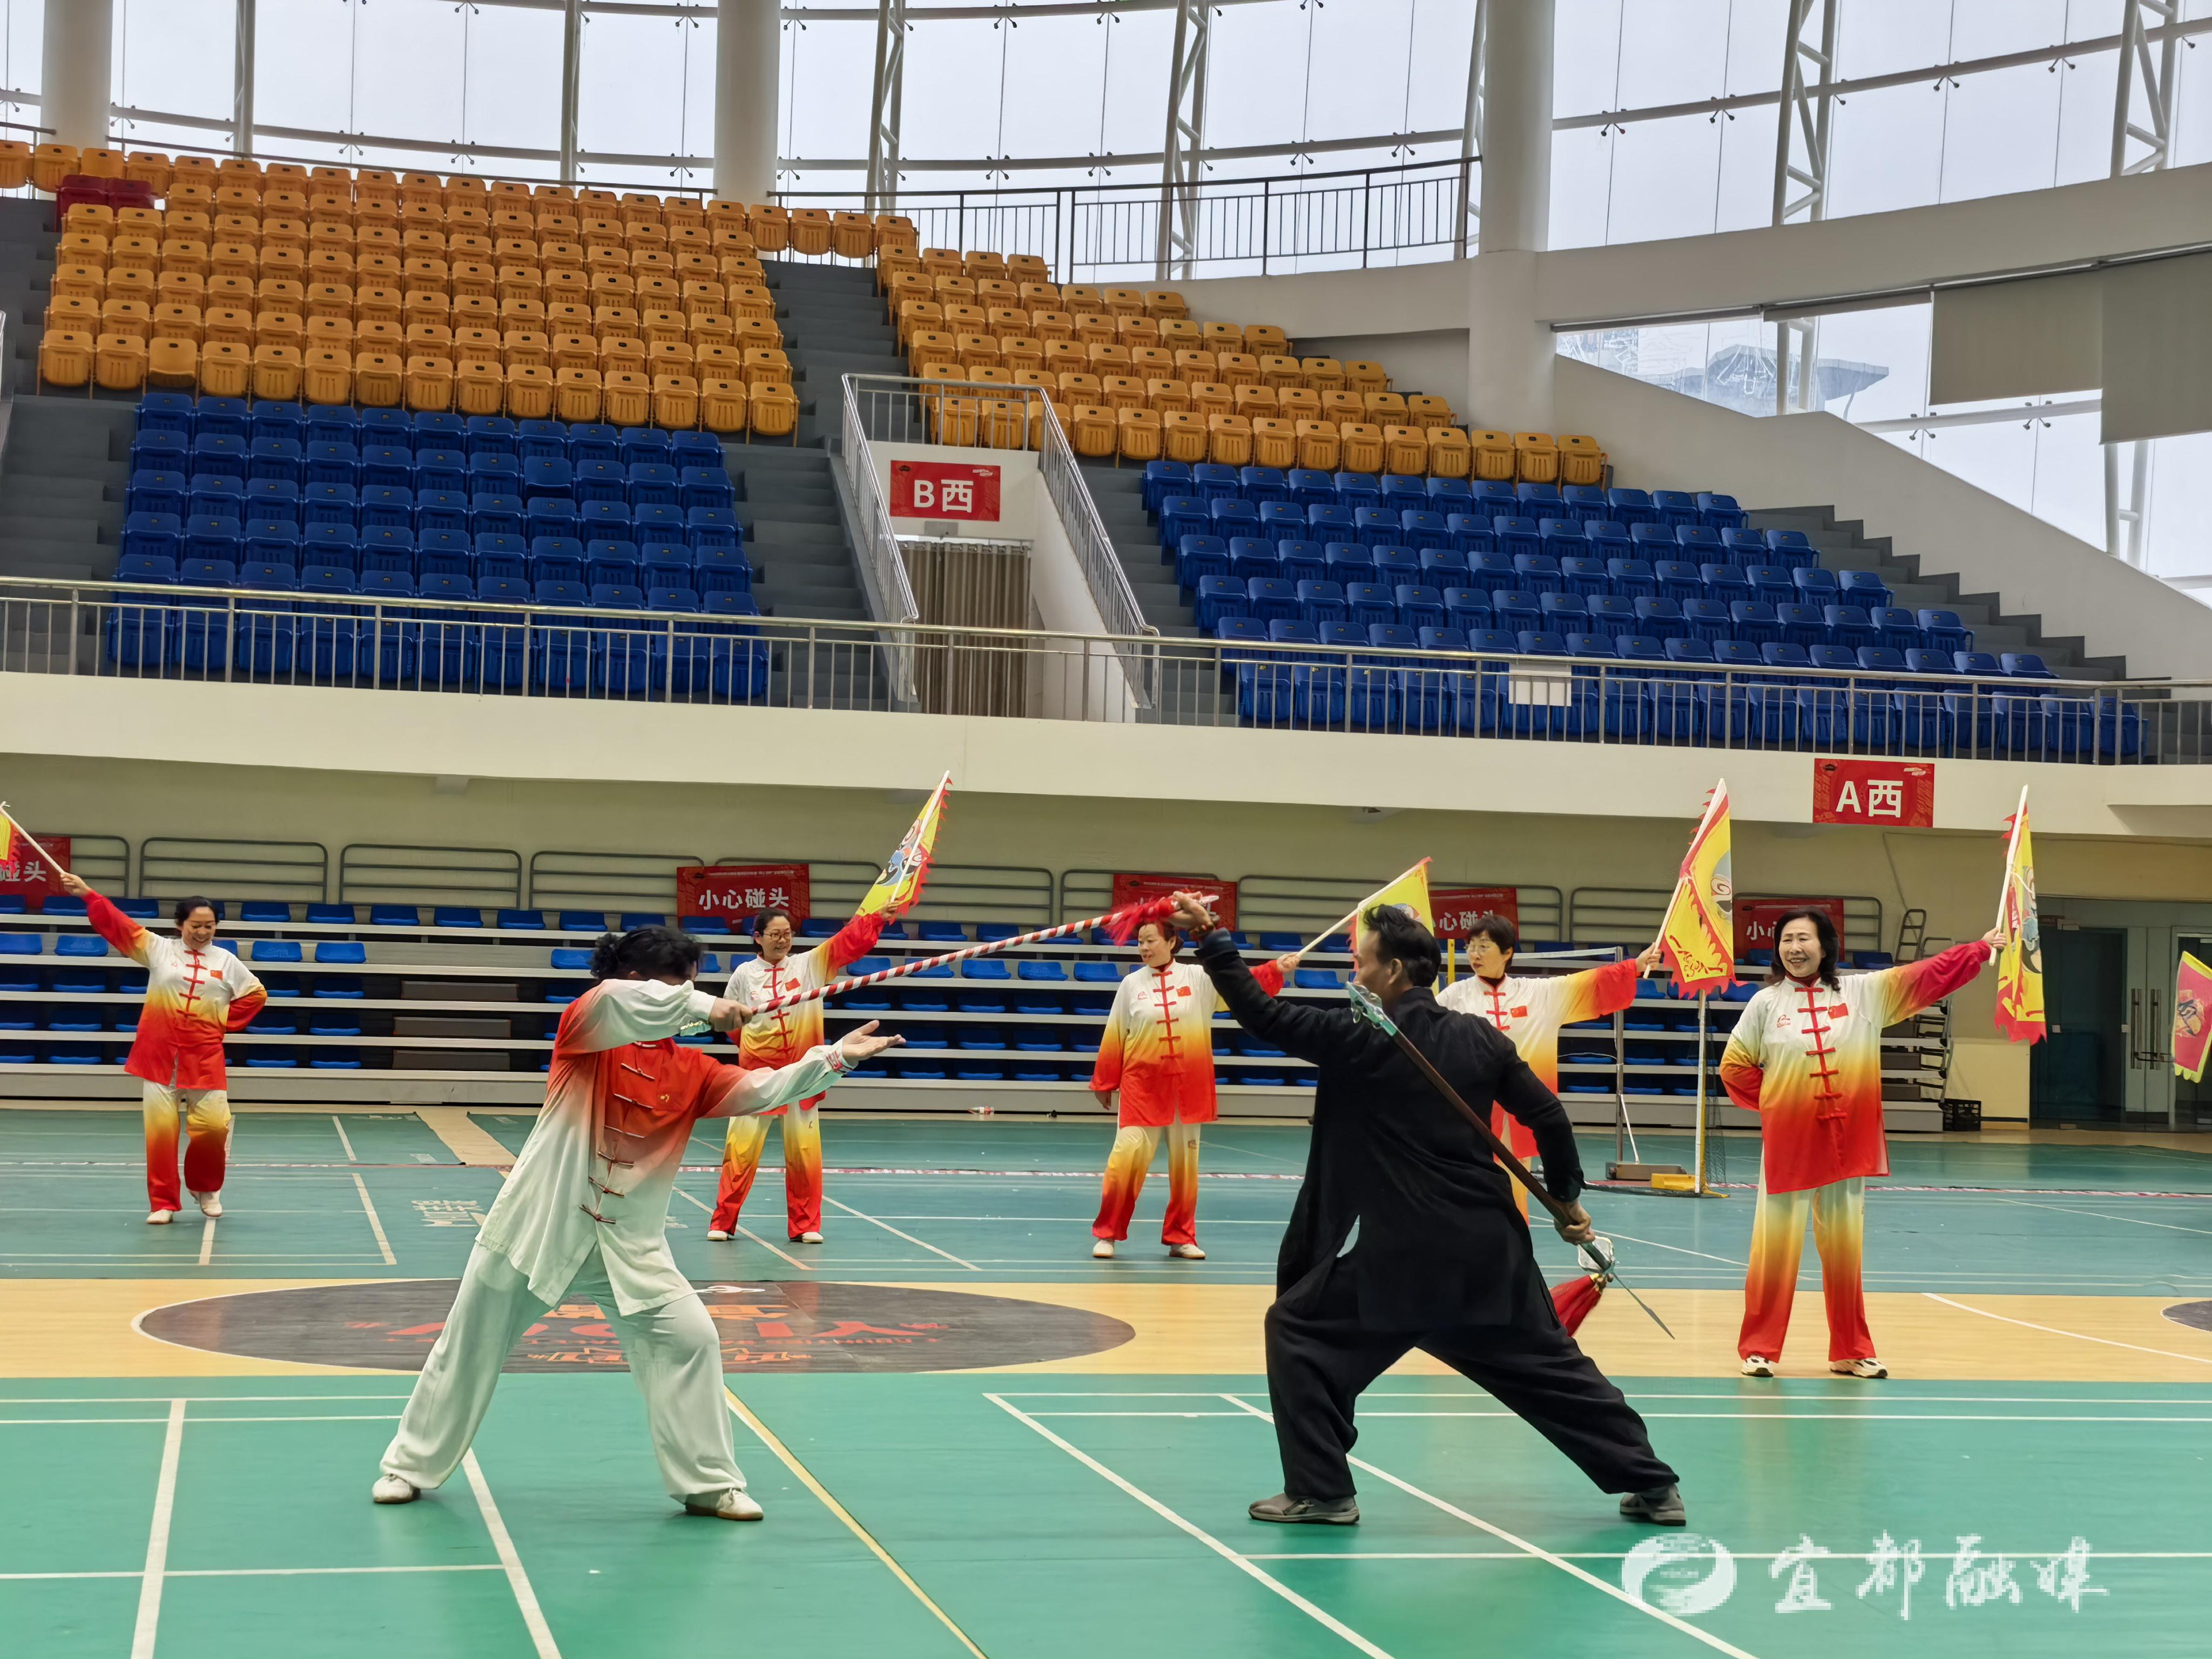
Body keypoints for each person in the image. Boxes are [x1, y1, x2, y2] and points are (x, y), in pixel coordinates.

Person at [1168, 893, 1682, 1528]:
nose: (1356, 974)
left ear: (1391, 972)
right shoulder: (1478, 1037)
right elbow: (1548, 1115)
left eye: (1362, 964)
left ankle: (1321, 1491)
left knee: (1297, 1331)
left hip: (1403, 1260)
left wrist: (1212, 936)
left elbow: (1261, 1013)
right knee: (1549, 1370)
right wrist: (1565, 1199)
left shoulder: (1357, 1035)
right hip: (1490, 1249)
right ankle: (1654, 1485)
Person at [373, 924, 901, 1521]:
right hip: (533, 1231)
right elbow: (615, 1000)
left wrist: (833, 1058)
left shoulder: (692, 1070)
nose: (685, 996)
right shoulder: (586, 1031)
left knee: (691, 1340)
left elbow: (761, 1088)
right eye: (677, 985)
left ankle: (707, 1485)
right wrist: (705, 1006)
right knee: (468, 1342)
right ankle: (407, 1467)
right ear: (637, 981)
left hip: (628, 1247)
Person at [1721, 908, 2004, 1380]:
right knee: (1773, 1251)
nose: (1795, 948)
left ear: (1826, 946)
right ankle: (1759, 1350)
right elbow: (1734, 1068)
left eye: (1804, 938)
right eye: (1787, 939)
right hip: (1790, 1148)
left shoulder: (1864, 993)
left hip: (1846, 1148)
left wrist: (1978, 949)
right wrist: (1781, 1107)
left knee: (1845, 1254)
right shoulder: (1764, 1004)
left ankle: (1851, 1350)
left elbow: (1926, 976)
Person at [57, 869, 265, 1225]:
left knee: (214, 1128)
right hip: (158, 1057)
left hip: (205, 1058)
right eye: (196, 925)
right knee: (160, 1135)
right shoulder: (158, 949)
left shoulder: (226, 961)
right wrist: (89, 895)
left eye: (209, 926)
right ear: (180, 924)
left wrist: (220, 1023)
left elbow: (256, 995)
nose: (202, 932)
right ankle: (163, 1202)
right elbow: (120, 927)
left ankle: (206, 1188)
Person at [1087, 919, 1296, 1260]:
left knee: (1186, 1167)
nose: (1144, 948)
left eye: (1150, 940)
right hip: (1141, 1087)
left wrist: (1275, 969)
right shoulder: (1130, 984)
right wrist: (1105, 1080)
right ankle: (1108, 1233)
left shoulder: (1199, 978)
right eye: (1140, 942)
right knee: (1124, 1159)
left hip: (1188, 1086)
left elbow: (1240, 986)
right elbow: (1115, 1031)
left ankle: (1181, 1237)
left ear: (1172, 942)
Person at [1438, 913, 1663, 1198]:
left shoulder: (1537, 994)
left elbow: (1586, 984)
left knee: (1515, 1190)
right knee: (1469, 1188)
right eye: (1470, 946)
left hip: (1520, 1110)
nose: (1474, 954)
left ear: (1507, 952)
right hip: (1471, 1109)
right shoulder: (1453, 996)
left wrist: (1635, 966)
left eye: (1484, 946)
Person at [707, 902, 889, 1244]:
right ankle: (722, 1222)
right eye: (775, 934)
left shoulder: (809, 965)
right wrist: (756, 1048)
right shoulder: (743, 975)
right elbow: (731, 1024)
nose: (783, 940)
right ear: (758, 937)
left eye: (788, 934)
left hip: (803, 1076)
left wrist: (877, 917)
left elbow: (846, 943)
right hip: (756, 1078)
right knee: (740, 1151)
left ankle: (806, 1226)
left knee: (804, 1153)